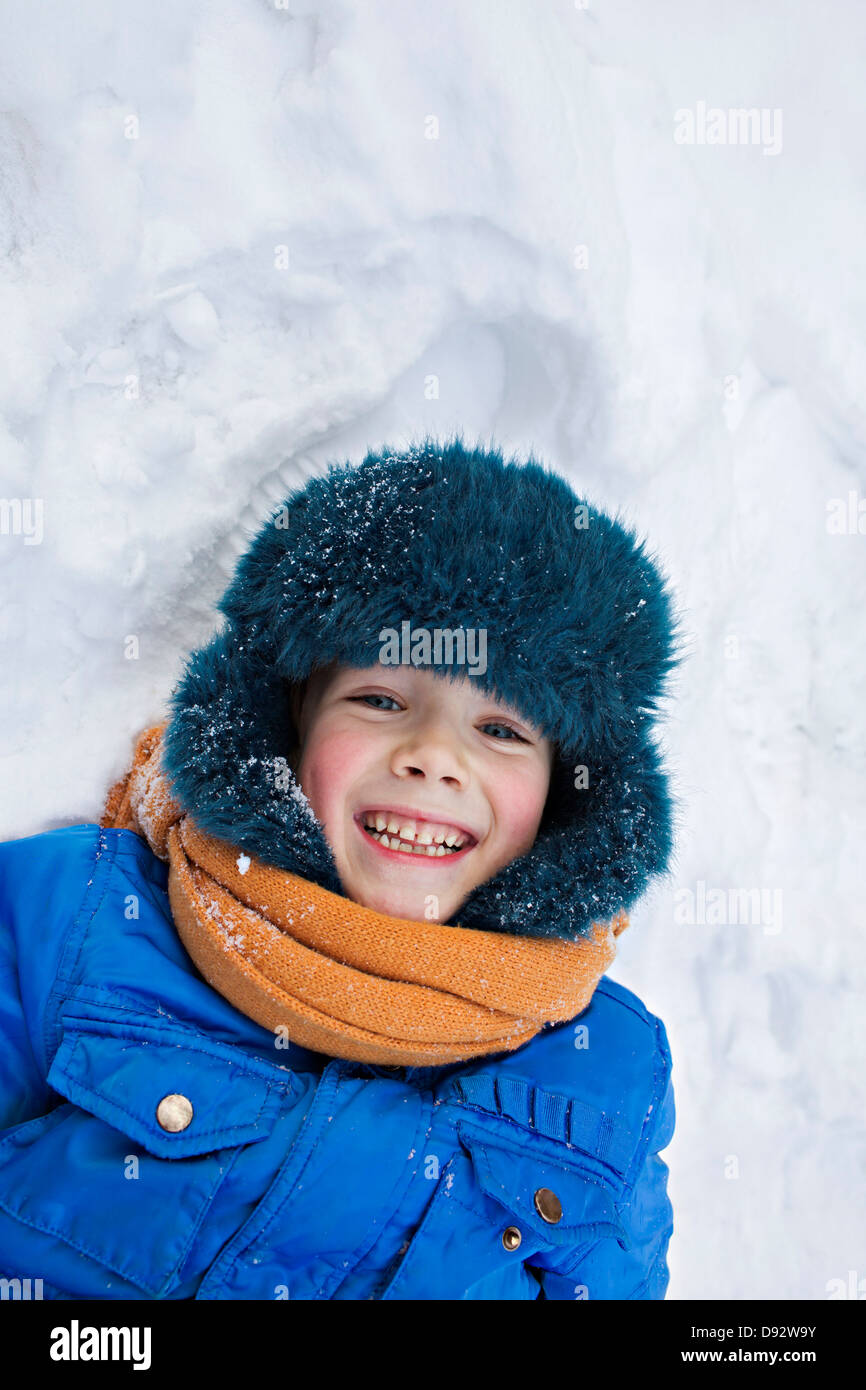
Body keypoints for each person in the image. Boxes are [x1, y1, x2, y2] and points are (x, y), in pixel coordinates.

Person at [0, 436, 679, 1299]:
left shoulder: (607, 1069)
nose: (434, 756)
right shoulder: (74, 921)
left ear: (567, 794)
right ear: (291, 725)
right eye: (382, 700)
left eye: (502, 730)